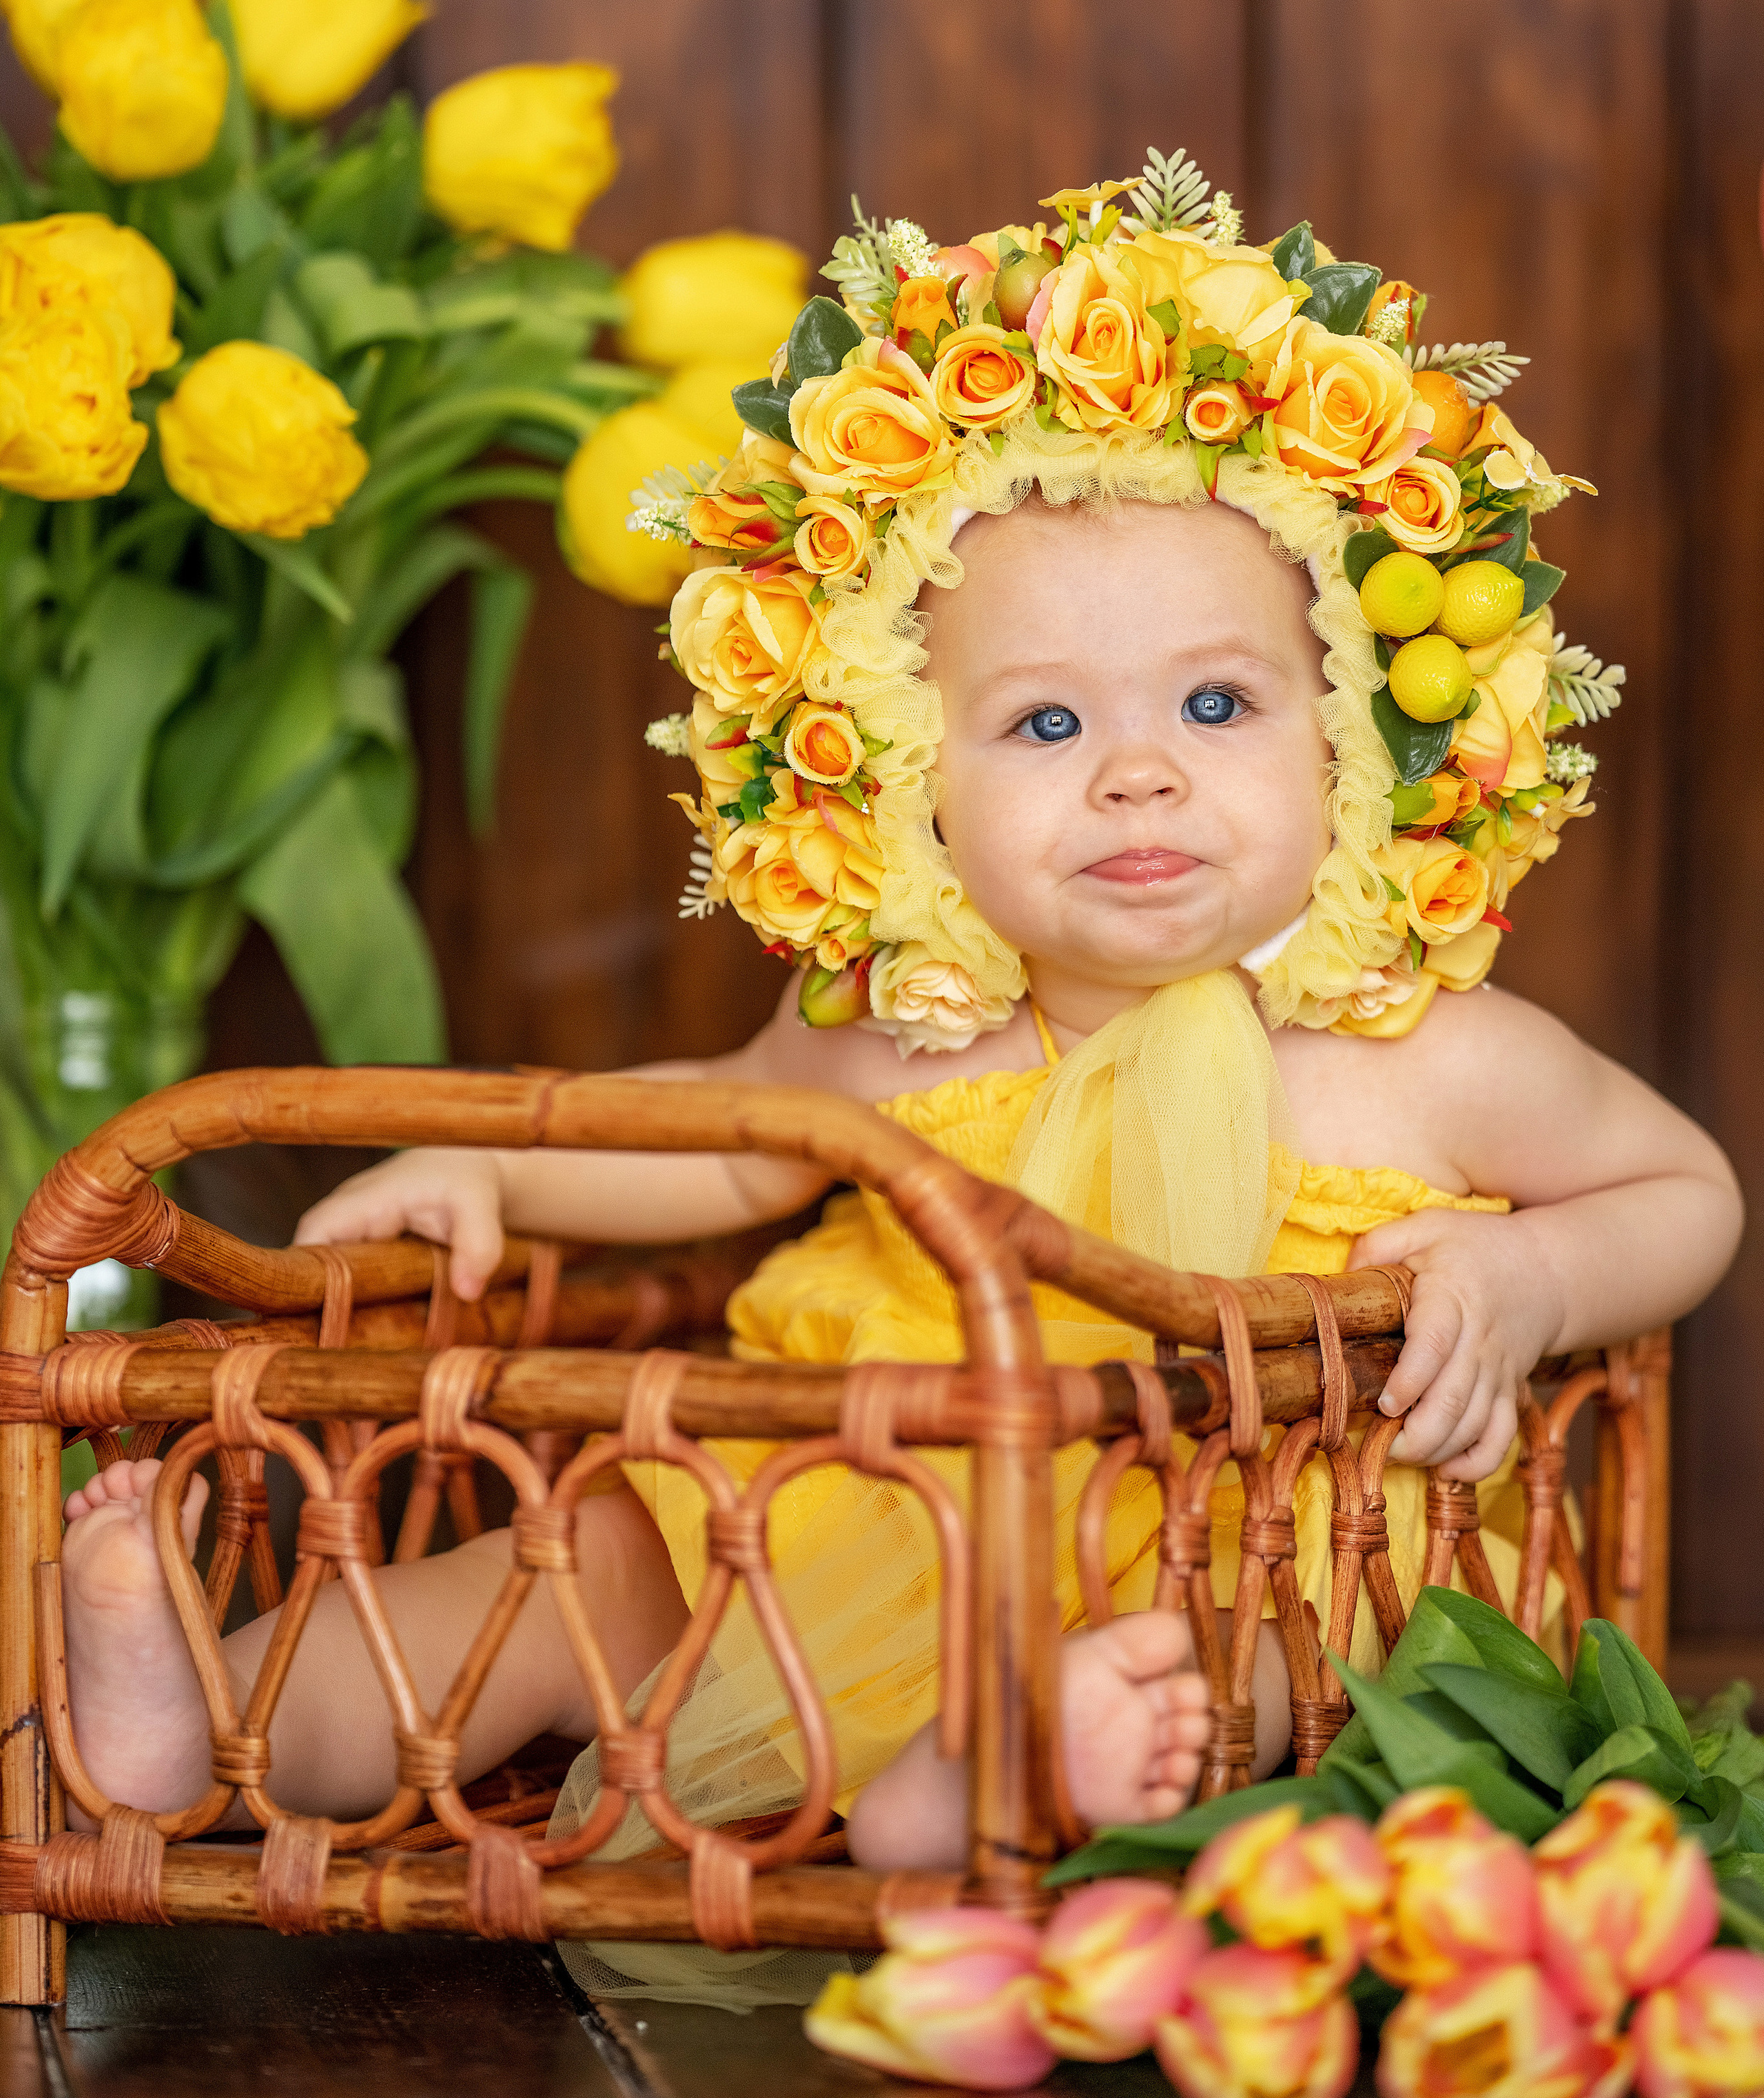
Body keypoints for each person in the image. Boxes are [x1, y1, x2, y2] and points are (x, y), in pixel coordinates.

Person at [56, 168, 1740, 1950]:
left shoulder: (1423, 1049)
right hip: (841, 1536)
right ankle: (215, 1715)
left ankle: (1002, 1770)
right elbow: (707, 1139)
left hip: (1232, 1560)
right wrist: (497, 1165)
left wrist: (1531, 1269)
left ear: (1362, 748)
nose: (1139, 772)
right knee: (576, 1575)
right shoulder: (907, 1028)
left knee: (1250, 1659)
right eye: (1045, 723)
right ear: (899, 777)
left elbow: (1685, 1190)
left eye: (1222, 705)